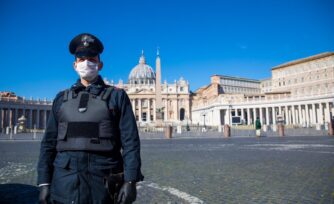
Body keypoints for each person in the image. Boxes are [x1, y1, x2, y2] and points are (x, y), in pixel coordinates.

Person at [37, 33, 143, 204]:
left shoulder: (117, 96)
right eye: (81, 58)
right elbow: (48, 144)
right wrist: (43, 182)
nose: (87, 62)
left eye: (92, 58)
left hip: (103, 183)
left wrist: (131, 180)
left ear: (100, 64)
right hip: (64, 183)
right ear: (75, 65)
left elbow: (131, 143)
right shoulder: (61, 98)